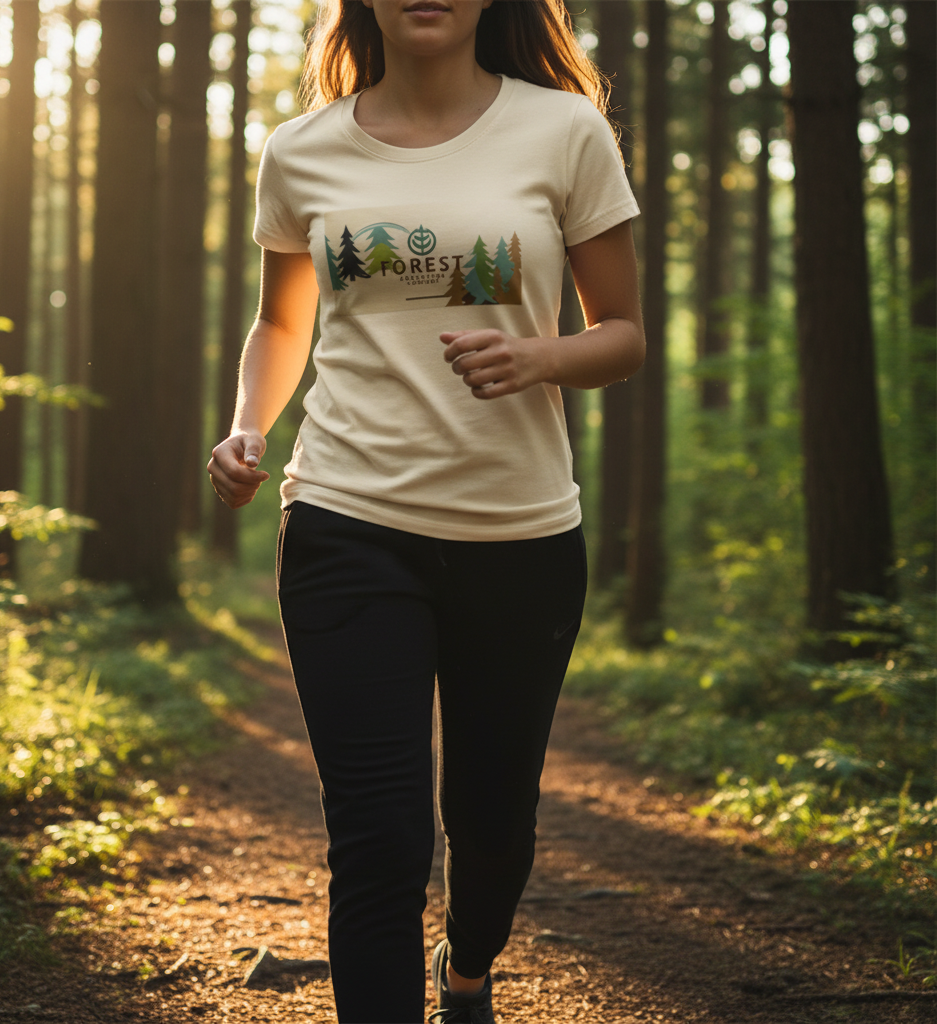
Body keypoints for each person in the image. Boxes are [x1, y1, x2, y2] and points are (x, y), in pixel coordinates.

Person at [207, 1, 644, 1020]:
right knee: (379, 839)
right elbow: (282, 321)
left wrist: (541, 355)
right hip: (347, 520)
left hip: (518, 534)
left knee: (492, 825)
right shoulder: (302, 148)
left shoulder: (563, 129)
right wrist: (245, 428)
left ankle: (468, 966)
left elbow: (620, 334)